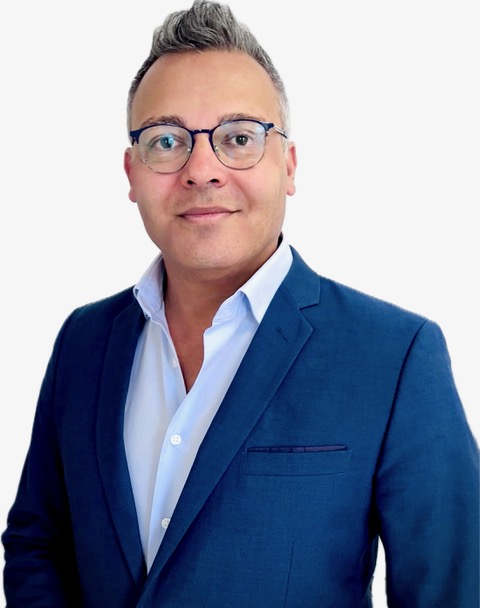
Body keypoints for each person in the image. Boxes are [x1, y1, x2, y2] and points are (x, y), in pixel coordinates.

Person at [2, 0, 478, 606]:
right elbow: (39, 542)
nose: (202, 170)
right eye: (167, 140)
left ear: (289, 166)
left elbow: (453, 588)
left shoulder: (394, 355)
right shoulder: (83, 340)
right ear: (132, 172)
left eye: (238, 138)